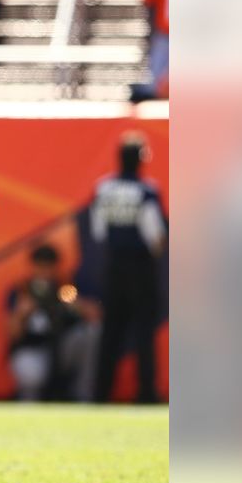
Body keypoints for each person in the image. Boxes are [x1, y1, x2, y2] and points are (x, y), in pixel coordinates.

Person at [91, 132, 166, 403]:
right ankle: (146, 392)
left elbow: (98, 230)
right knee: (144, 331)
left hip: (112, 266)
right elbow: (155, 235)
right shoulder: (146, 190)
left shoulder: (103, 189)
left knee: (110, 331)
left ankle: (101, 391)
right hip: (140, 268)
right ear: (142, 158)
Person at [5, 244, 94, 401]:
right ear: (32, 267)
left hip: (61, 350)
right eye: (40, 267)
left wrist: (76, 305)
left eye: (48, 267)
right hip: (34, 350)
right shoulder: (22, 290)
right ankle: (28, 405)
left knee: (92, 333)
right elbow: (12, 334)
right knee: (30, 372)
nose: (44, 273)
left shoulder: (64, 288)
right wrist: (21, 313)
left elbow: (96, 317)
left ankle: (83, 396)